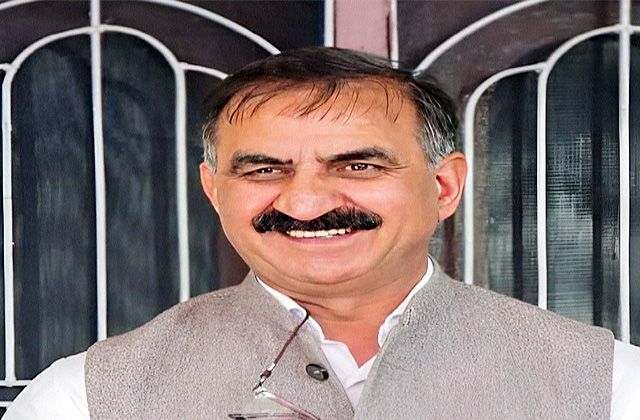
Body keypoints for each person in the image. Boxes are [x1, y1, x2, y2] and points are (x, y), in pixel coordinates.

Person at [5, 47, 640, 420]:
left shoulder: (608, 386)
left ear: (444, 187)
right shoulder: (87, 399)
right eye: (264, 170)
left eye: (358, 166)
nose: (306, 203)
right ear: (215, 191)